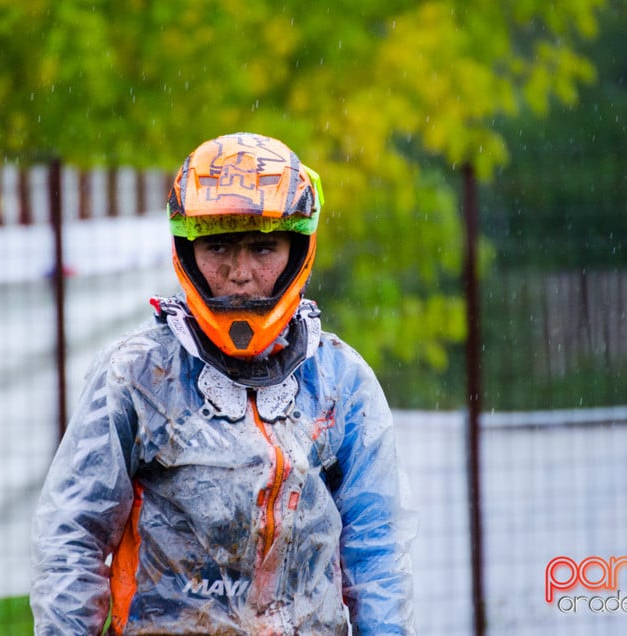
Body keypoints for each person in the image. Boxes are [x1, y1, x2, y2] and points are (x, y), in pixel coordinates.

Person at [30, 132, 417, 635]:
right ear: (188, 250)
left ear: (297, 247)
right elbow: (71, 538)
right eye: (218, 246)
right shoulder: (138, 375)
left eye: (262, 247)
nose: (240, 272)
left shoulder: (341, 381)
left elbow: (378, 550)